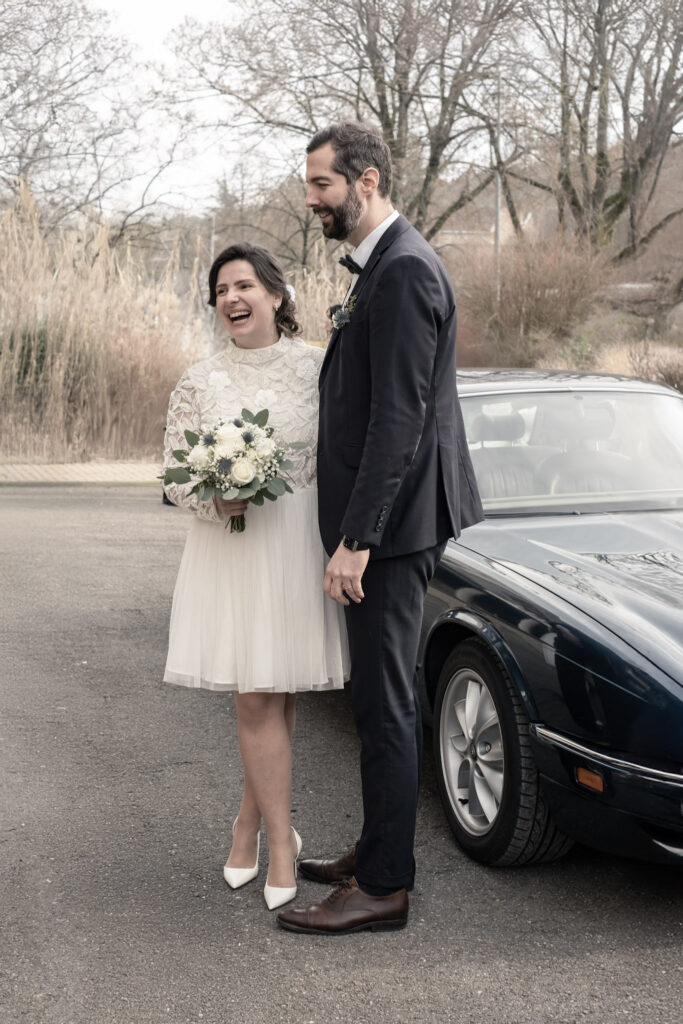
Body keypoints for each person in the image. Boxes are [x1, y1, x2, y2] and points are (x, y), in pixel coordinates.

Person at [276, 123, 483, 935]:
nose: (310, 199)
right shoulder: (385, 265)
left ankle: (384, 886)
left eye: (321, 184)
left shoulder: (403, 271)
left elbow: (400, 421)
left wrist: (356, 540)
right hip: (389, 525)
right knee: (376, 697)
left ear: (365, 181)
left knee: (385, 703)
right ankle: (376, 849)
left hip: (391, 533)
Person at [162, 243, 348, 912]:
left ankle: (252, 826)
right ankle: (279, 842)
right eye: (220, 291)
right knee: (255, 700)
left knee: (275, 690)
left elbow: (344, 454)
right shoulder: (199, 380)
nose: (231, 299)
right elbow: (174, 477)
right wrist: (214, 496)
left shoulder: (318, 368)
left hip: (295, 543)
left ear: (275, 294)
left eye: (243, 285)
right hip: (232, 550)